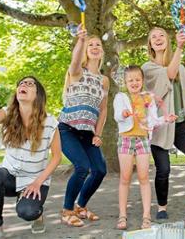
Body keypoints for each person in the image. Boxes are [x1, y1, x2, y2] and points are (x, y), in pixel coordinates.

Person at [0, 76, 62, 239]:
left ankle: (37, 213)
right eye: (21, 84)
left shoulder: (50, 122)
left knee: (27, 212)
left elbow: (57, 157)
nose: (23, 85)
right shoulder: (8, 113)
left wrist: (38, 182)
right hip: (10, 176)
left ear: (38, 94)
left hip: (35, 180)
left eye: (29, 84)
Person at [142, 27, 185, 221]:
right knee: (164, 169)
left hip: (180, 124)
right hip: (160, 126)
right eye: (153, 36)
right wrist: (181, 47)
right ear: (150, 44)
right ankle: (161, 207)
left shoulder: (179, 66)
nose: (157, 38)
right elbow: (168, 75)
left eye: (161, 35)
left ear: (168, 40)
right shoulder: (148, 68)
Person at [113, 65, 177, 230]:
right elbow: (117, 115)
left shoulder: (148, 98)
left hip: (142, 140)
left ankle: (146, 216)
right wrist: (124, 114)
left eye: (137, 79)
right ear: (125, 82)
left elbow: (153, 122)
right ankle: (122, 215)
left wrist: (166, 119)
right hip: (126, 139)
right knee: (125, 178)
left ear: (142, 81)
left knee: (143, 177)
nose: (134, 83)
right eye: (130, 80)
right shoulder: (120, 97)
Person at [59, 27, 109, 227]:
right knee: (82, 167)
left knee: (100, 170)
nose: (95, 47)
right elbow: (74, 61)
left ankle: (81, 206)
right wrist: (80, 41)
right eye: (91, 45)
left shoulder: (104, 80)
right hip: (68, 129)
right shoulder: (77, 72)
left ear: (102, 51)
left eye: (98, 45)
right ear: (85, 50)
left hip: (88, 132)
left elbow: (103, 110)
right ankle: (67, 210)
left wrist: (98, 134)